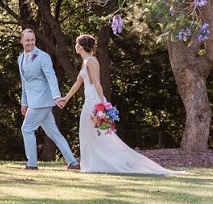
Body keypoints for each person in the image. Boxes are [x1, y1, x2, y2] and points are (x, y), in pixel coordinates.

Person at [60, 34, 182, 174]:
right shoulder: (85, 61)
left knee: (98, 133)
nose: (75, 46)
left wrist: (101, 105)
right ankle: (91, 162)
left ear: (80, 47)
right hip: (89, 100)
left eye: (76, 44)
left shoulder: (91, 62)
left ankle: (107, 162)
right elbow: (78, 82)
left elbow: (97, 83)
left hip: (94, 100)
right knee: (87, 131)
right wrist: (66, 98)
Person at [18, 28, 79, 171]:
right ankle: (73, 163)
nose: (30, 43)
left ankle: (32, 164)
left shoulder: (43, 56)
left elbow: (51, 77)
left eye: (32, 40)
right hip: (33, 101)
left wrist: (56, 96)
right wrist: (24, 102)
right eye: (27, 40)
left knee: (26, 129)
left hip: (42, 100)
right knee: (54, 133)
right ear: (21, 41)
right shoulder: (20, 58)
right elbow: (24, 83)